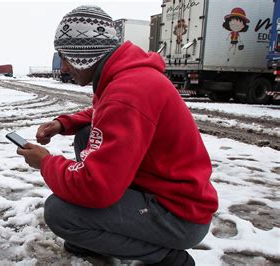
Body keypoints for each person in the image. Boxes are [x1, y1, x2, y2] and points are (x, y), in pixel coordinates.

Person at [16, 5, 218, 265]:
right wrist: (63, 123)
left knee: (59, 212)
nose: (64, 67)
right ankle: (97, 237)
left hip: (177, 216)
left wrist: (45, 162)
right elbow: (103, 113)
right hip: (173, 198)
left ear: (84, 53)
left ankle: (167, 257)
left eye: (65, 57)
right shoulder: (128, 79)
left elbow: (96, 188)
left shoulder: (128, 92)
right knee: (85, 135)